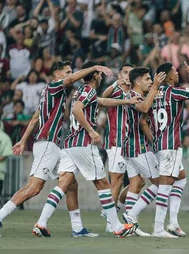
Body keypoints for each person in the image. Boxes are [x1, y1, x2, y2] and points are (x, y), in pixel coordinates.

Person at [0, 61, 112, 237]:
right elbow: (74, 79)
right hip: (47, 144)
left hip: (52, 145)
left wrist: (23, 141)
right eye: (67, 72)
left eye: (71, 71)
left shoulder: (52, 94)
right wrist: (94, 68)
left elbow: (34, 118)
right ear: (57, 75)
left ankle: (77, 228)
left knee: (71, 183)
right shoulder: (54, 86)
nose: (71, 74)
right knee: (34, 187)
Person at [33, 61, 142, 238]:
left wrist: (128, 100)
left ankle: (42, 222)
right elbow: (76, 110)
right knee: (103, 184)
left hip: (69, 145)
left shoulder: (79, 92)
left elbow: (103, 101)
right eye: (99, 75)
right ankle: (116, 226)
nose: (100, 78)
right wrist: (91, 131)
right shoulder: (89, 90)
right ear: (96, 76)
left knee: (64, 183)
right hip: (83, 144)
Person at [150, 62, 189, 238]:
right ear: (169, 76)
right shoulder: (175, 92)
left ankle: (173, 222)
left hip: (158, 145)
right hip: (170, 145)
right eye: (175, 72)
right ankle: (158, 228)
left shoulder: (153, 93)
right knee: (165, 185)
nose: (178, 74)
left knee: (180, 179)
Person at [120, 67, 166, 237]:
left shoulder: (133, 95)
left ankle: (130, 227)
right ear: (138, 81)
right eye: (147, 79)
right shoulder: (134, 96)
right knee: (160, 183)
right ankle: (131, 216)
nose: (150, 82)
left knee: (136, 184)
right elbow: (145, 108)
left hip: (129, 147)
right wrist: (155, 87)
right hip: (137, 147)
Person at [100, 63, 133, 232]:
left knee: (138, 181)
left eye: (131, 73)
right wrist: (115, 83)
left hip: (133, 144)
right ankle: (110, 224)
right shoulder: (116, 92)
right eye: (125, 73)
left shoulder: (136, 93)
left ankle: (114, 211)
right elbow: (103, 98)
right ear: (120, 75)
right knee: (117, 181)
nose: (128, 76)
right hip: (116, 143)